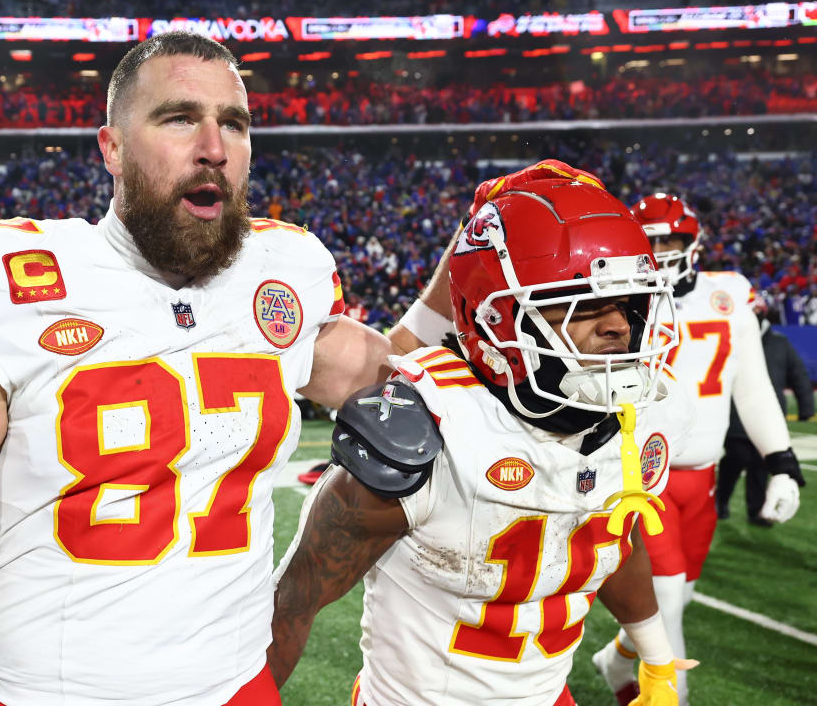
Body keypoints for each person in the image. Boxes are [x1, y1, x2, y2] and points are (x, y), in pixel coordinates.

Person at [0, 32, 456, 706]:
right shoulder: (8, 287)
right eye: (180, 117)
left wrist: (463, 262)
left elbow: (399, 374)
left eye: (234, 124)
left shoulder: (283, 275)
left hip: (240, 687)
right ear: (112, 148)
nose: (214, 146)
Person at [269, 172, 695, 706]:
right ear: (498, 318)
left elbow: (606, 538)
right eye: (580, 302)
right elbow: (293, 601)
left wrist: (654, 653)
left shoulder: (638, 418)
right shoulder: (430, 431)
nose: (619, 328)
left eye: (629, 302)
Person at [592, 193, 806, 704]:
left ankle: (615, 659)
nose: (663, 250)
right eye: (653, 241)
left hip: (703, 481)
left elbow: (751, 386)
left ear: (693, 243)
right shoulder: (613, 304)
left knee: (676, 600)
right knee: (663, 600)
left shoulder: (728, 295)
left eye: (672, 240)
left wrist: (780, 460)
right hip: (645, 478)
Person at [719, 306, 814, 524]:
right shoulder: (729, 336)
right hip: (735, 416)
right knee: (734, 460)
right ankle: (721, 502)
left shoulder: (780, 343)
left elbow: (798, 374)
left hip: (768, 418)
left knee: (760, 466)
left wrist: (806, 407)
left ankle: (757, 510)